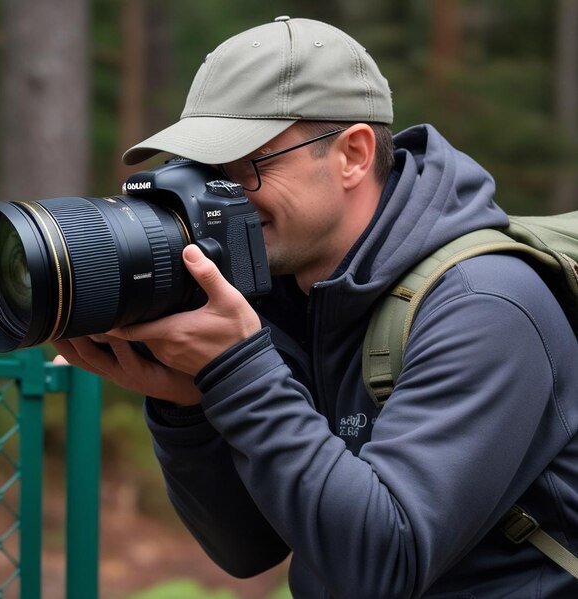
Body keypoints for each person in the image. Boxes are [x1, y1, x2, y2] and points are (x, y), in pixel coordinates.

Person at [53, 15, 578, 598]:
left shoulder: (484, 305)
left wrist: (239, 373)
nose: (215, 196)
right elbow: (248, 549)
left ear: (352, 153)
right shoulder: (283, 291)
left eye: (248, 165)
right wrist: (190, 407)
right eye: (201, 170)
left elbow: (381, 566)